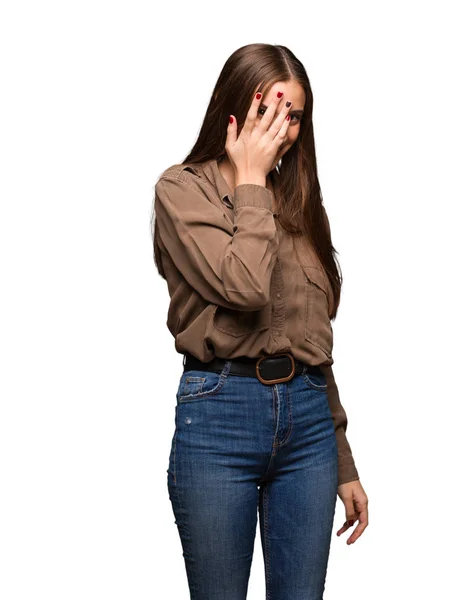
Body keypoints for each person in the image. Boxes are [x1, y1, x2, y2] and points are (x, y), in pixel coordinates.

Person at [151, 43, 369, 599]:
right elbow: (243, 287)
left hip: (309, 425)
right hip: (221, 414)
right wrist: (250, 179)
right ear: (234, 108)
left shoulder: (298, 201)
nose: (282, 128)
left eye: (294, 116)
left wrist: (344, 462)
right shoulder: (181, 190)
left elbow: (313, 341)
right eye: (268, 110)